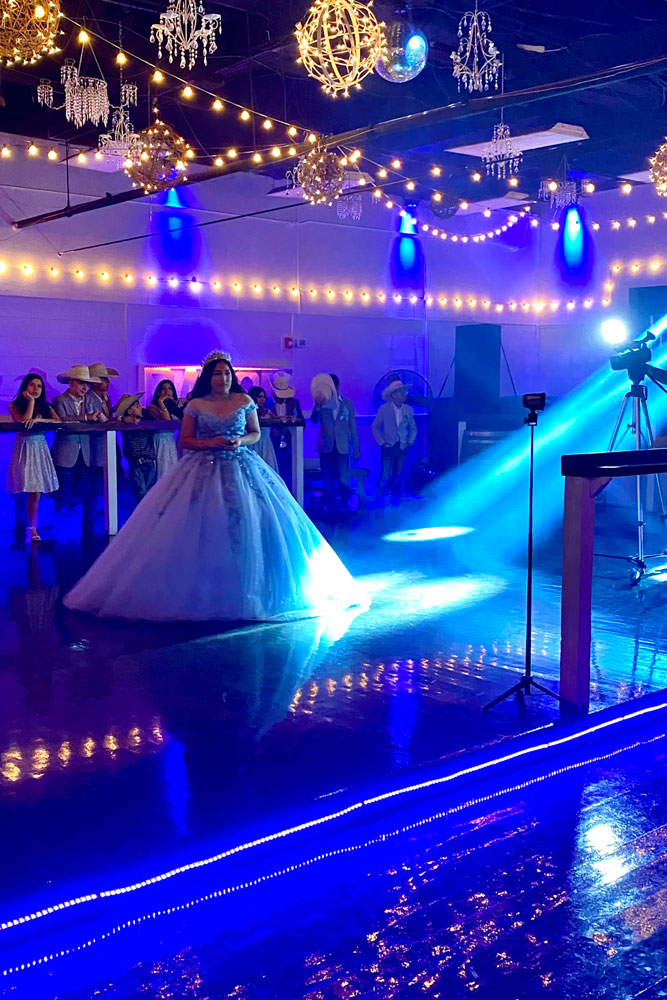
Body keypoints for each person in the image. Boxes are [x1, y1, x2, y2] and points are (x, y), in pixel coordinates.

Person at [64, 351, 361, 622]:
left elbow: (255, 433)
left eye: (227, 373)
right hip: (203, 465)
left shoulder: (244, 402)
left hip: (241, 463)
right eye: (218, 373)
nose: (224, 378)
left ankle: (251, 583)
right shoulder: (196, 404)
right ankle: (201, 585)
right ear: (209, 376)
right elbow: (186, 441)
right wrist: (211, 443)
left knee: (248, 520)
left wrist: (239, 441)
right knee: (198, 522)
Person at [51, 364, 107, 530]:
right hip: (66, 452)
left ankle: (76, 528)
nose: (85, 387)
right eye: (82, 383)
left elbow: (100, 419)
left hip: (87, 452)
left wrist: (100, 417)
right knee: (63, 491)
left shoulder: (91, 399)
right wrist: (86, 417)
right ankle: (58, 528)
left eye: (87, 383)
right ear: (71, 383)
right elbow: (62, 420)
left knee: (82, 491)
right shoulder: (59, 400)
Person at [7, 373, 60, 543]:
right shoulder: (14, 405)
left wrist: (40, 419)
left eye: (39, 386)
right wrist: (30, 402)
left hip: (39, 447)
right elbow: (24, 421)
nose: (35, 389)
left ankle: (32, 527)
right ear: (25, 387)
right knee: (23, 489)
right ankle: (19, 526)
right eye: (32, 385)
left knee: (36, 491)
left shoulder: (46, 406)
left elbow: (57, 421)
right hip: (24, 447)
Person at [311, 373, 360, 508]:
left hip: (342, 446)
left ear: (337, 386)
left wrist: (356, 448)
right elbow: (314, 420)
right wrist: (317, 407)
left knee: (343, 477)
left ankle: (344, 505)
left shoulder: (347, 404)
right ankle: (331, 506)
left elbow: (352, 427)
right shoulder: (322, 403)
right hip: (325, 446)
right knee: (327, 478)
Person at [372, 379, 417, 501]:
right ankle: (379, 498)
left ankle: (395, 500)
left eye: (404, 392)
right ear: (393, 395)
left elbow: (413, 428)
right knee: (385, 474)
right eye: (400, 392)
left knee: (398, 474)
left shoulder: (408, 410)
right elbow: (375, 427)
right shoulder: (384, 409)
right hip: (388, 446)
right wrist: (381, 442)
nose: (403, 394)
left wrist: (410, 441)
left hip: (401, 446)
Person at [117, 392, 158, 505]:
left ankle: (149, 517)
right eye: (136, 405)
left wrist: (140, 416)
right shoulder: (124, 422)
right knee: (141, 492)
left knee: (150, 492)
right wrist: (124, 418)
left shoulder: (147, 418)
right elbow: (115, 420)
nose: (140, 407)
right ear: (129, 411)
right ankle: (140, 518)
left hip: (149, 460)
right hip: (136, 462)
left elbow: (155, 417)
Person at [266, 372, 304, 485]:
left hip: (290, 444)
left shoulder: (294, 403)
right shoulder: (266, 403)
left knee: (289, 471)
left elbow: (302, 422)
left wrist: (293, 423)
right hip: (271, 443)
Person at [146, 378, 182, 478]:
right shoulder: (151, 407)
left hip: (170, 441)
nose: (167, 392)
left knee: (172, 473)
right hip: (158, 440)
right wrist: (161, 402)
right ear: (158, 392)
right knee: (161, 471)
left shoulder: (175, 407)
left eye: (170, 389)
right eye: (164, 389)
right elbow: (166, 420)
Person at [248, 386, 278, 472]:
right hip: (253, 443)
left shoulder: (267, 412)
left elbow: (277, 419)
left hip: (266, 444)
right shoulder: (249, 412)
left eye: (264, 397)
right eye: (260, 397)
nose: (262, 399)